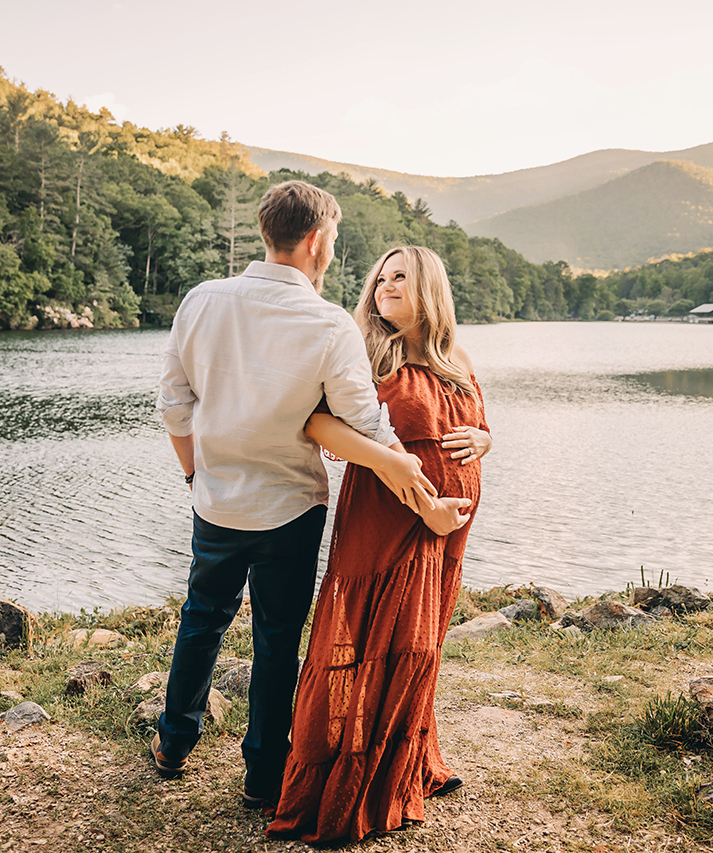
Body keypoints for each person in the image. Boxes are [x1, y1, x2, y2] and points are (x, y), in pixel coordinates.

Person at [153, 182, 442, 808]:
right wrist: (418, 473)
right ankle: (261, 775)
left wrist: (194, 477)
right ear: (316, 240)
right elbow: (364, 422)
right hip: (290, 508)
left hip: (216, 501)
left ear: (267, 231)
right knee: (278, 640)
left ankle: (173, 742)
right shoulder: (327, 323)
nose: (333, 252)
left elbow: (175, 405)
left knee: (201, 620)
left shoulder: (202, 300)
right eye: (333, 240)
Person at [268, 246, 492, 843]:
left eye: (400, 277)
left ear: (430, 289)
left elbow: (476, 427)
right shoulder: (367, 349)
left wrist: (484, 443)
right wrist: (425, 506)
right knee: (370, 640)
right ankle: (349, 778)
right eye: (381, 278)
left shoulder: (455, 356)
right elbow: (318, 424)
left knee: (419, 646)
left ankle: (404, 762)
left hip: (447, 531)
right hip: (389, 519)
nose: (385, 286)